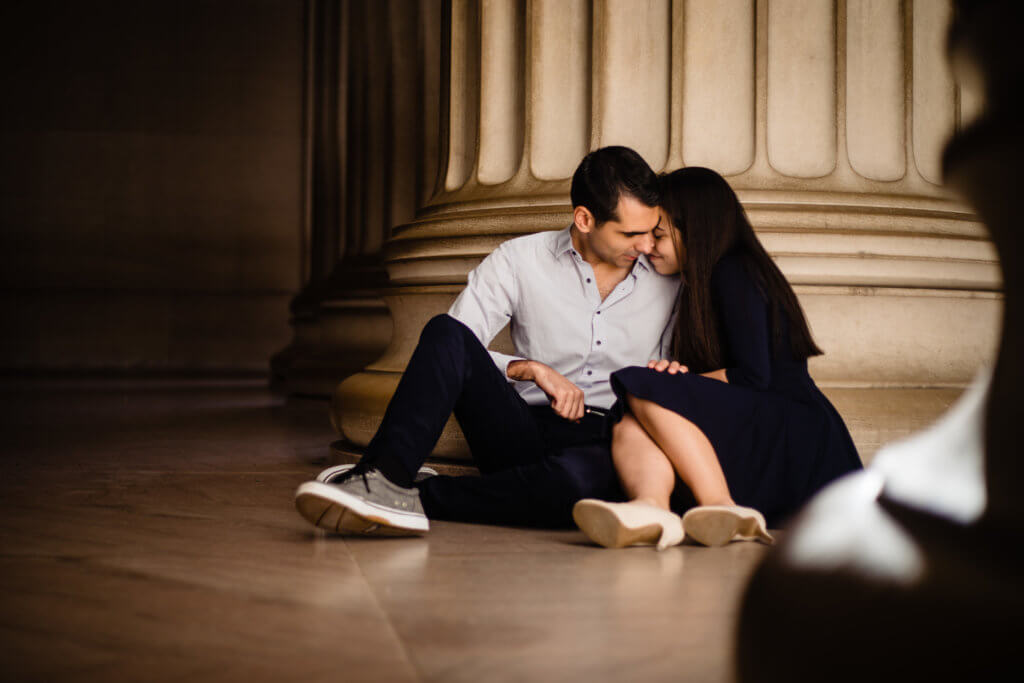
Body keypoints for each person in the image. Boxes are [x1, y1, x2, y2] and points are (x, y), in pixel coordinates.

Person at [294, 146, 679, 535]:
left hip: (613, 439)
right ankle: (383, 476)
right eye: (631, 233)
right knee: (444, 332)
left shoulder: (669, 278)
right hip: (522, 429)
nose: (648, 245)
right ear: (584, 218)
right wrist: (524, 368)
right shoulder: (520, 259)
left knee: (579, 491)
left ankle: (412, 494)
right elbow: (460, 339)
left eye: (652, 230)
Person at [573, 167, 863, 549]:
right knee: (633, 412)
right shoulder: (707, 279)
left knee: (639, 383)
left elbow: (754, 376)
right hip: (768, 425)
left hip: (794, 436)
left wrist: (674, 385)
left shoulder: (734, 269)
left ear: (695, 227)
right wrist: (681, 379)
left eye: (658, 234)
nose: (647, 247)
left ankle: (721, 504)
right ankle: (650, 508)